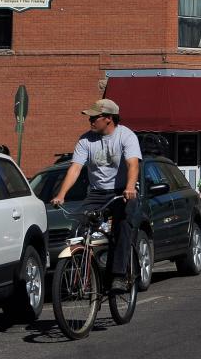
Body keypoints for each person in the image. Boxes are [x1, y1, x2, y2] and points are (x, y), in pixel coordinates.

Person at [51, 98, 141, 293]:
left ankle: (118, 276)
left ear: (109, 118)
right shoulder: (85, 140)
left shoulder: (126, 136)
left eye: (94, 117)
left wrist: (130, 187)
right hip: (97, 193)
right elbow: (75, 169)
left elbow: (132, 164)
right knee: (78, 225)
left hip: (122, 192)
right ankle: (82, 270)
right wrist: (61, 194)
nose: (90, 120)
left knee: (123, 225)